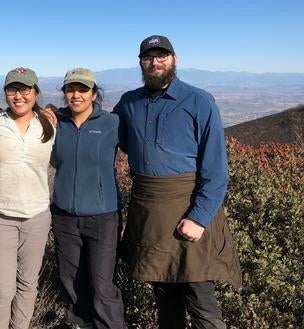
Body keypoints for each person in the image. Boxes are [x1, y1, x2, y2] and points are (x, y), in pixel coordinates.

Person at [113, 35, 242, 329]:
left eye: (162, 55)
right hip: (150, 216)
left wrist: (199, 217)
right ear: (141, 63)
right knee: (165, 301)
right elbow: (105, 132)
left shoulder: (199, 101)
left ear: (175, 59)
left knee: (202, 303)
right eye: (148, 57)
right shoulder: (129, 102)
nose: (155, 62)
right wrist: (59, 119)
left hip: (189, 210)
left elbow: (216, 169)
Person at [51, 68, 127, 329]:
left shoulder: (112, 123)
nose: (76, 95)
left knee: (102, 287)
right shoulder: (56, 122)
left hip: (102, 217)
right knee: (71, 284)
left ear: (94, 94)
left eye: (83, 89)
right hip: (64, 218)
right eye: (71, 89)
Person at [0, 67, 55, 329]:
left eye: (25, 89)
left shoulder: (48, 124)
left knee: (28, 285)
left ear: (35, 92)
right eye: (13, 89)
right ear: (5, 93)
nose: (19, 95)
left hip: (37, 216)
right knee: (2, 288)